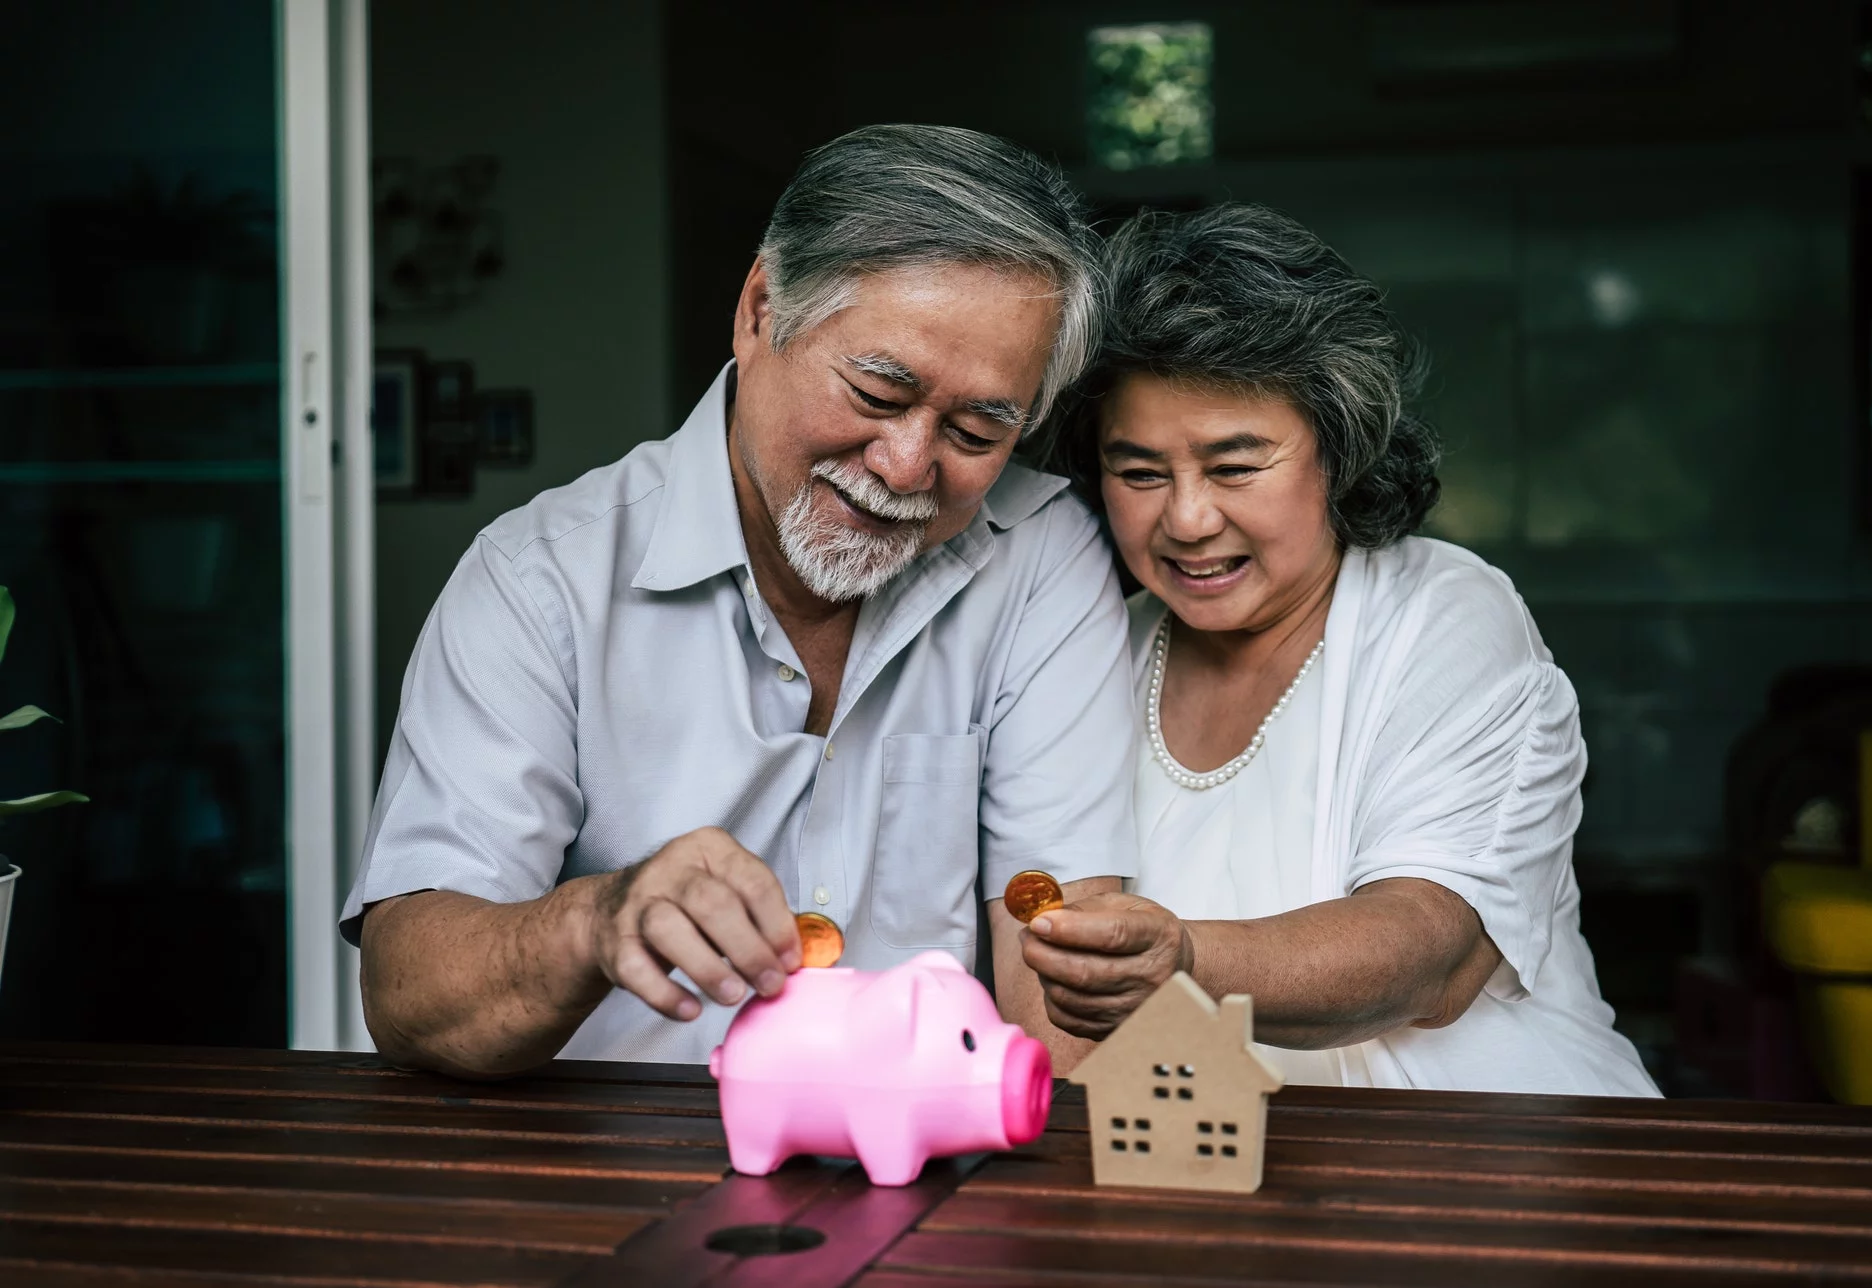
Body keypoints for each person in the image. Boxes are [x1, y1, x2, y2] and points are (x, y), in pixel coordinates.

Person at [346, 125, 1136, 1077]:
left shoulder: (1039, 555)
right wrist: (599, 919)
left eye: (974, 431)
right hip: (599, 1177)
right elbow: (408, 998)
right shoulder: (539, 579)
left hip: (925, 1172)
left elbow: (1058, 994)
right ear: (761, 311)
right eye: (879, 393)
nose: (907, 465)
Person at [1020, 204, 1658, 1095]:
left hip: (1483, 1163)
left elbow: (1430, 953)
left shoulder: (1443, 615)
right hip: (1208, 1177)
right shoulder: (1090, 653)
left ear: (1338, 449)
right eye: (1139, 472)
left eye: (1235, 466)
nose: (1188, 518)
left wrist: (1184, 956)